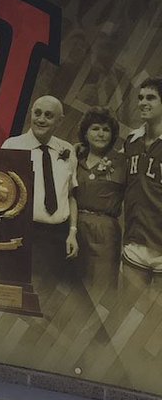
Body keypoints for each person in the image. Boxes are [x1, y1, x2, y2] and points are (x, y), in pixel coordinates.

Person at [2, 95, 78, 311]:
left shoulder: (67, 150)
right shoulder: (12, 146)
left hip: (57, 237)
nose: (41, 119)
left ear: (60, 121)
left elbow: (71, 195)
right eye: (37, 113)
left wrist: (72, 232)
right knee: (20, 297)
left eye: (48, 115)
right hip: (23, 232)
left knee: (49, 299)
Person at [70, 107, 126, 295]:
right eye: (95, 128)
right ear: (85, 132)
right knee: (72, 289)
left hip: (105, 232)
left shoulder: (122, 162)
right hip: (74, 227)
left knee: (101, 291)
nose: (100, 134)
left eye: (106, 129)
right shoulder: (74, 158)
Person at [121, 79, 162, 288]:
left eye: (151, 97)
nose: (143, 102)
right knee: (130, 314)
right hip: (135, 241)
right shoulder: (132, 140)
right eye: (140, 97)